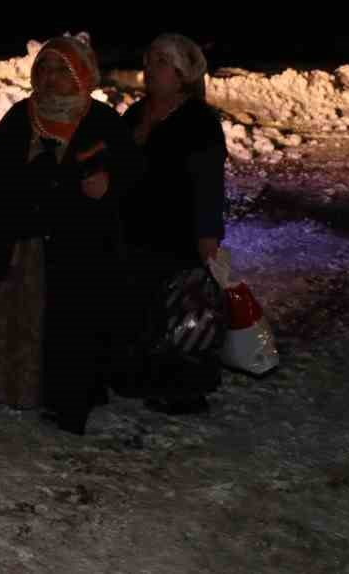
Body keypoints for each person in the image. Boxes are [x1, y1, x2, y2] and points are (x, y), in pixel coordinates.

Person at [0, 34, 142, 434]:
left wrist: (108, 184)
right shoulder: (21, 117)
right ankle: (5, 388)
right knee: (15, 315)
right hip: (22, 240)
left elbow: (133, 174)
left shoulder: (101, 121)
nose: (49, 77)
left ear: (83, 76)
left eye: (61, 69)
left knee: (73, 322)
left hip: (78, 245)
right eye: (43, 68)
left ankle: (70, 399)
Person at [121, 32, 228, 415]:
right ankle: (140, 379)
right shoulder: (135, 113)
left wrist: (207, 233)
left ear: (183, 74)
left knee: (185, 313)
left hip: (178, 232)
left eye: (161, 62)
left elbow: (209, 182)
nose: (150, 69)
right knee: (141, 307)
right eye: (149, 60)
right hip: (134, 228)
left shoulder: (199, 121)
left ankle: (185, 392)